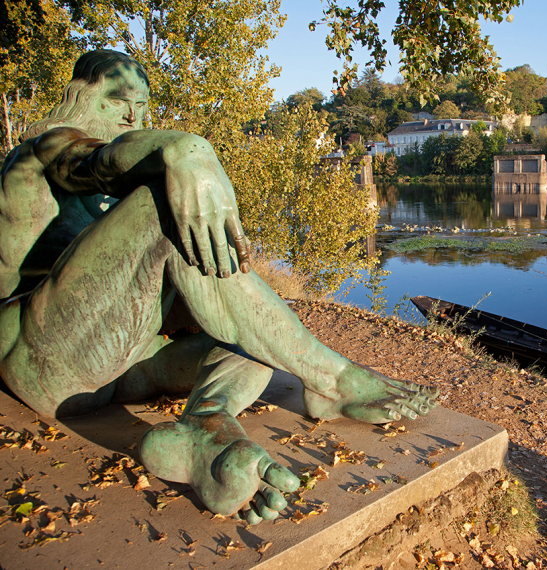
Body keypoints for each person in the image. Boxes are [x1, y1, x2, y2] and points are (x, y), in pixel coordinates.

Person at [0, 50, 437, 524]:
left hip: (134, 364)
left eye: (142, 105)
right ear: (82, 98)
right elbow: (95, 163)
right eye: (115, 101)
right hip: (45, 359)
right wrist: (190, 151)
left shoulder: (117, 189)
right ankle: (332, 378)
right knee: (167, 203)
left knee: (256, 345)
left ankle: (206, 427)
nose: (132, 115)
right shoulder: (43, 151)